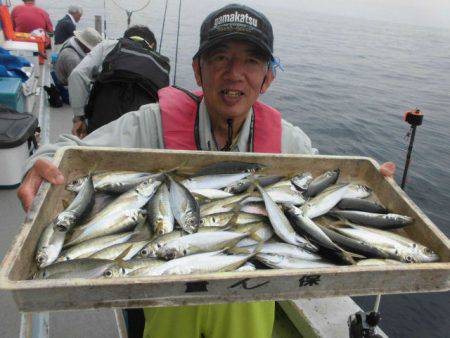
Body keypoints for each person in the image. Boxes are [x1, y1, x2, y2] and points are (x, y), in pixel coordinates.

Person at [17, 4, 395, 338]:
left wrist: (377, 184)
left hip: (248, 306)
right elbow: (72, 151)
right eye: (220, 58)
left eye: (251, 61)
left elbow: (333, 184)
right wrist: (41, 161)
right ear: (198, 71)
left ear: (267, 78)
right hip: (166, 306)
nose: (234, 74)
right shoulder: (153, 125)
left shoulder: (288, 143)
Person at [69, 25, 170, 138]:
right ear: (151, 46)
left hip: (101, 123)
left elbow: (77, 75)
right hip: (139, 132)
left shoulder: (108, 45)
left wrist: (79, 118)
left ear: (125, 38)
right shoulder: (162, 65)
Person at [52, 28, 103, 104]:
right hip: (66, 89)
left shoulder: (70, 41)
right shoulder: (73, 59)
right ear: (85, 45)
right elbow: (78, 85)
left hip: (64, 77)